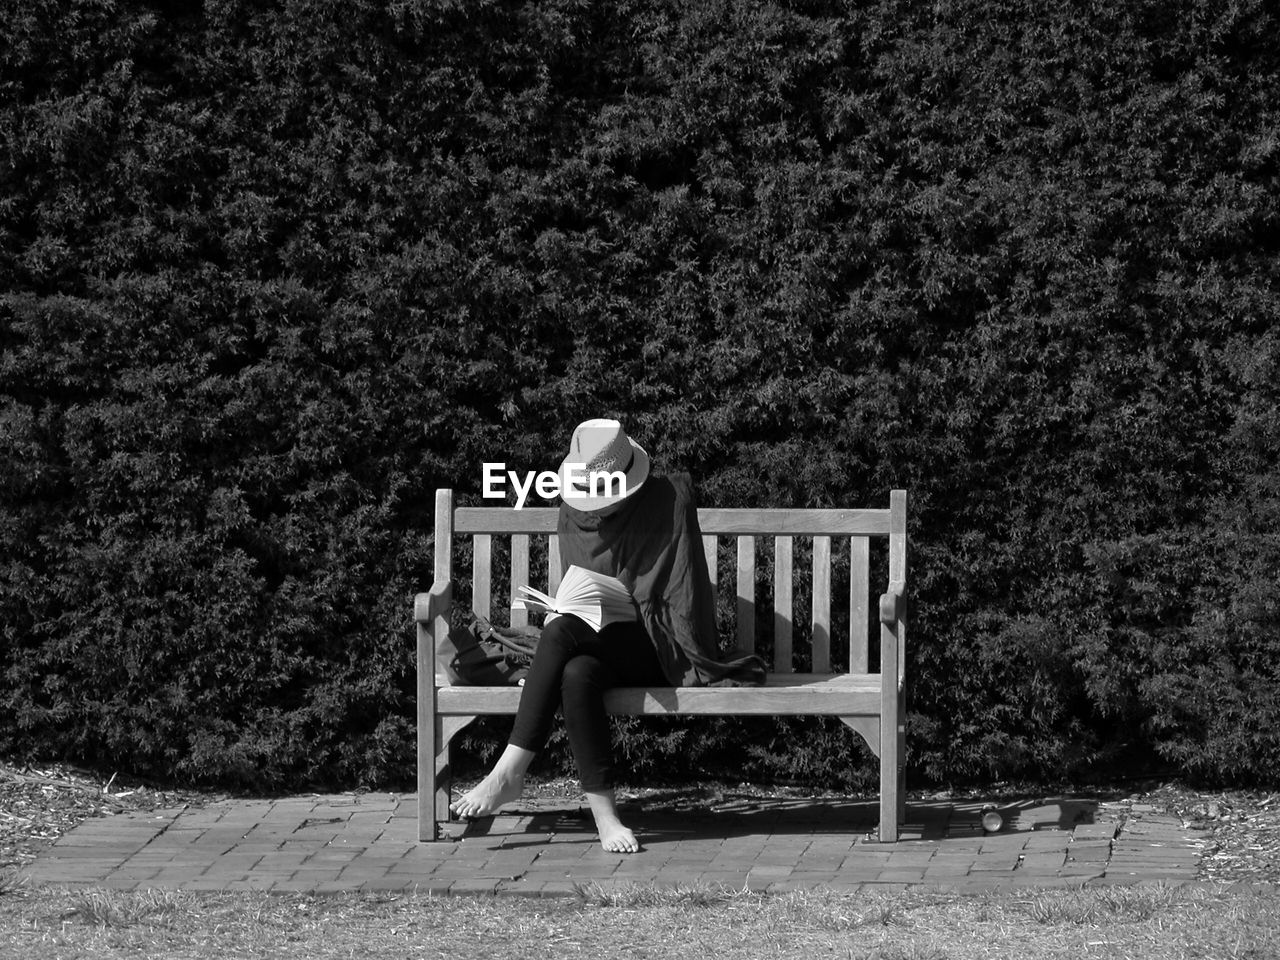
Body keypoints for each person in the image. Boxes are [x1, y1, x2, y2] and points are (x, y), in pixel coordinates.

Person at [450, 418, 766, 852]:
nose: (596, 506)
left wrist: (625, 606)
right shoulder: (572, 509)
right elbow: (579, 582)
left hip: (657, 643)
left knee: (561, 633)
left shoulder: (668, 501)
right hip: (596, 643)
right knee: (576, 673)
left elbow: (683, 595)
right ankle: (605, 816)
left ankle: (510, 771)